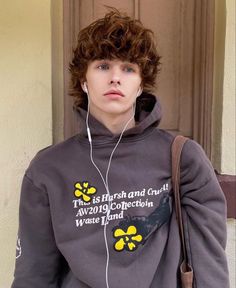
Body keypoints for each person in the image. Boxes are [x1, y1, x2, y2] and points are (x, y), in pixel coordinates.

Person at [12, 9, 229, 288]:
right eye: (103, 66)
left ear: (141, 86)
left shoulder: (182, 157)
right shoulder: (48, 169)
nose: (115, 78)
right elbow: (34, 273)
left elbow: (210, 266)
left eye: (128, 68)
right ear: (83, 81)